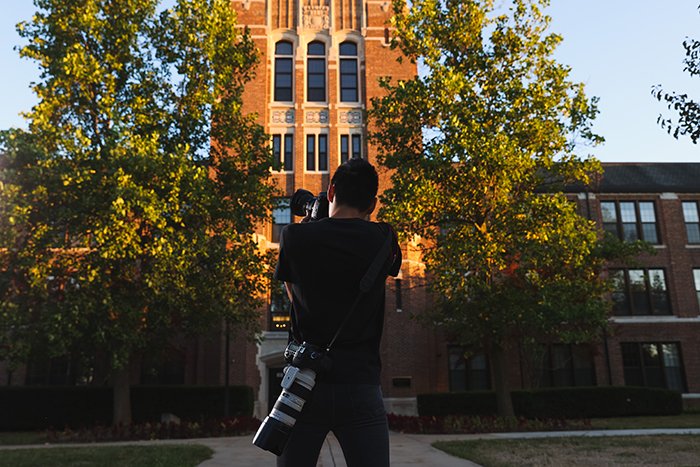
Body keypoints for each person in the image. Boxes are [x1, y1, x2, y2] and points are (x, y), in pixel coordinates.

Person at [273, 158, 401, 467]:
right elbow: (390, 266)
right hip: (361, 383)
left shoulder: (293, 236)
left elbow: (294, 297)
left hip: (305, 385)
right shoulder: (383, 238)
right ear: (372, 203)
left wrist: (313, 221)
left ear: (331, 191)